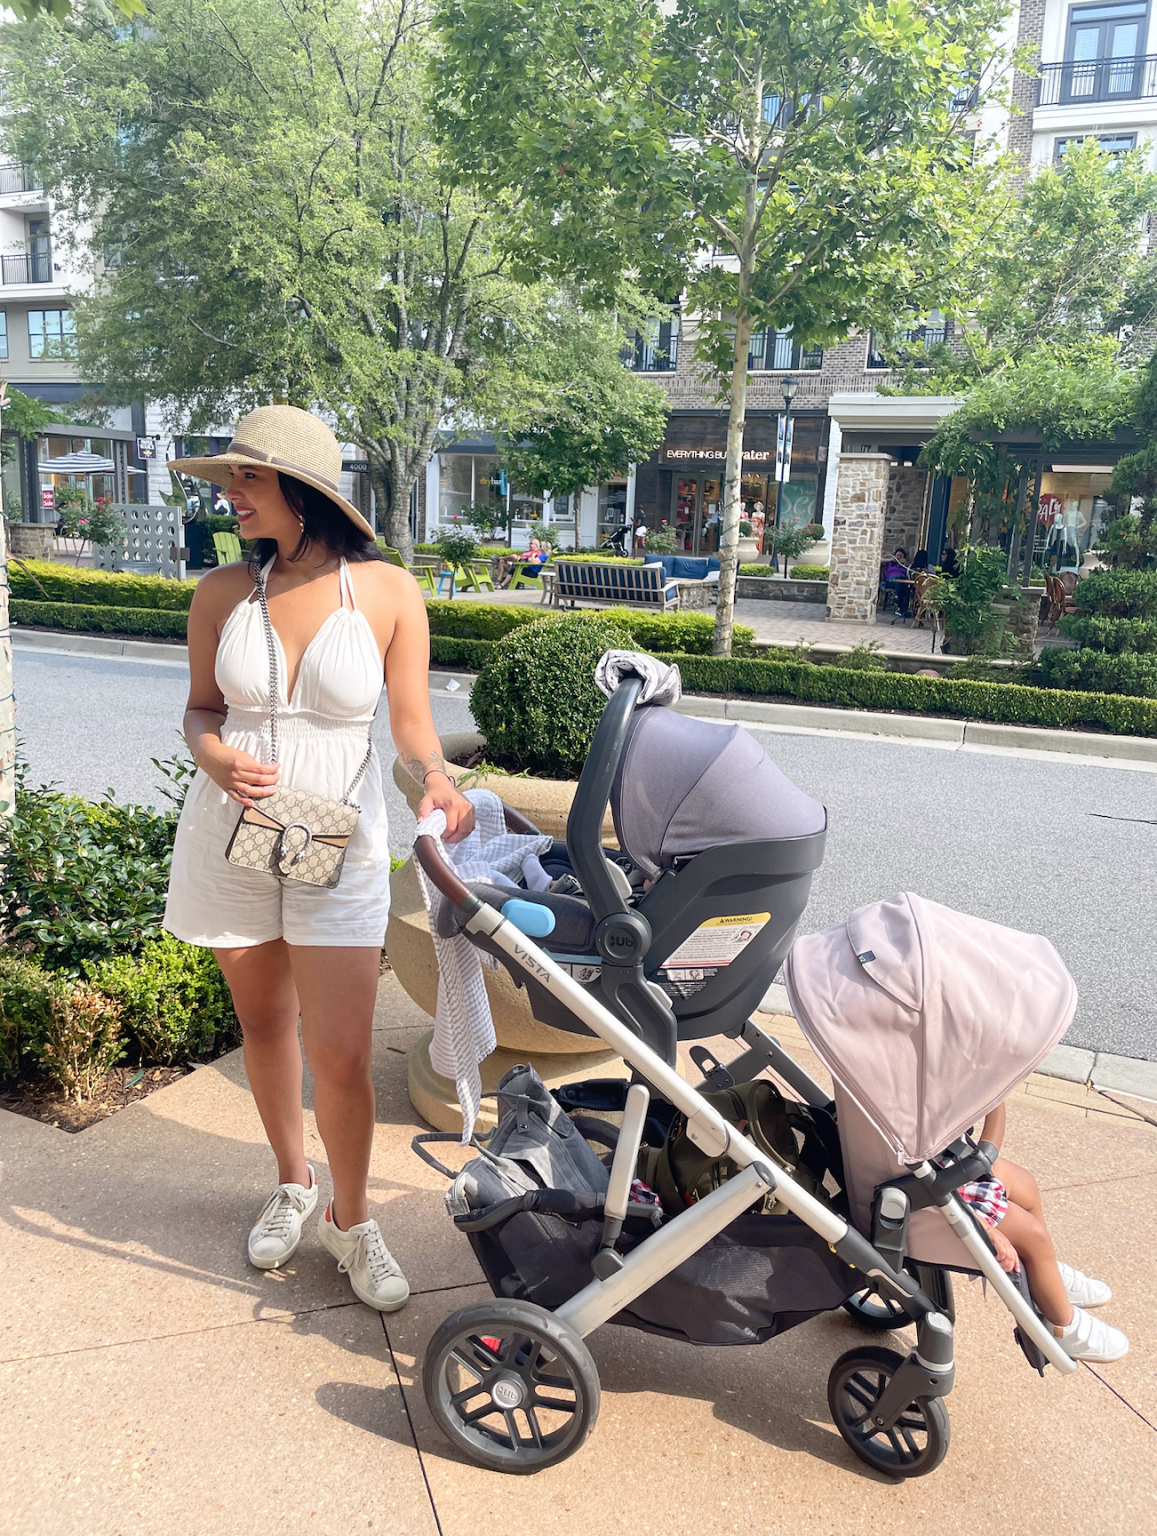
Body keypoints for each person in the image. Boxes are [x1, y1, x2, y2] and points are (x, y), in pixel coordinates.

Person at [163, 406, 475, 1313]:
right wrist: (213, 756)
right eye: (228, 478)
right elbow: (200, 708)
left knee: (340, 1053)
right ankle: (292, 1182)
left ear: (302, 490)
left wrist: (435, 779)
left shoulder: (386, 591)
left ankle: (351, 1217)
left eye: (247, 478)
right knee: (264, 1025)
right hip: (233, 831)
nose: (230, 494)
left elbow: (410, 723)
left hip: (336, 839)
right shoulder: (222, 591)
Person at [963, 1102, 1128, 1362]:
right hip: (934, 1197)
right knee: (1032, 1235)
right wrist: (983, 1227)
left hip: (943, 1168)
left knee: (1024, 1184)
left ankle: (1045, 1276)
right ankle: (1063, 1324)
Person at [880, 546, 911, 616]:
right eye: (898, 556)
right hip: (891, 581)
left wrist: (906, 564)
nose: (899, 557)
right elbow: (879, 560)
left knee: (903, 585)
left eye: (901, 556)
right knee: (899, 581)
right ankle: (899, 604)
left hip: (902, 581)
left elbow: (911, 570)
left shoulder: (905, 565)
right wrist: (891, 559)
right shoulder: (890, 563)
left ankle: (899, 603)